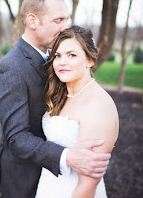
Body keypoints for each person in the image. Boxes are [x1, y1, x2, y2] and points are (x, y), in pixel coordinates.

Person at [0, 0, 111, 198]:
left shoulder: (58, 57)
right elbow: (17, 137)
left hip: (62, 180)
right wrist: (67, 157)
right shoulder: (10, 69)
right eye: (58, 20)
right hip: (26, 177)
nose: (65, 27)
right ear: (32, 21)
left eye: (66, 19)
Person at [35, 25, 119, 198]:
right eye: (57, 55)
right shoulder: (61, 94)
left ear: (90, 60)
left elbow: (87, 185)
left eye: (72, 55)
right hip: (48, 186)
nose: (62, 62)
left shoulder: (99, 106)